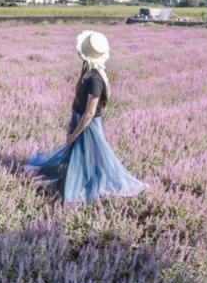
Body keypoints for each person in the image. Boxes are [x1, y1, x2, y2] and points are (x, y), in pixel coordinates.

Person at [24, 30, 147, 203]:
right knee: (81, 157)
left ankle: (81, 188)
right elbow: (79, 103)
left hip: (88, 126)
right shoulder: (87, 72)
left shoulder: (95, 79)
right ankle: (78, 180)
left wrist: (75, 134)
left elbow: (90, 113)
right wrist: (71, 123)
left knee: (89, 156)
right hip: (79, 120)